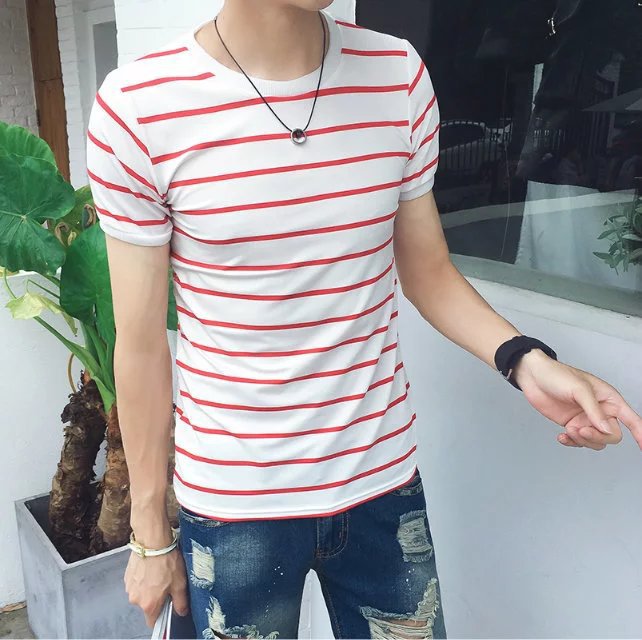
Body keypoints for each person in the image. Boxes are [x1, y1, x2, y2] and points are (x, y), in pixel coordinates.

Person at [85, 1, 642, 638]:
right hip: (235, 503)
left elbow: (429, 271)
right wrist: (150, 534)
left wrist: (525, 359)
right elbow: (141, 345)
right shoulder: (141, 108)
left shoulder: (395, 76)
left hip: (382, 485)